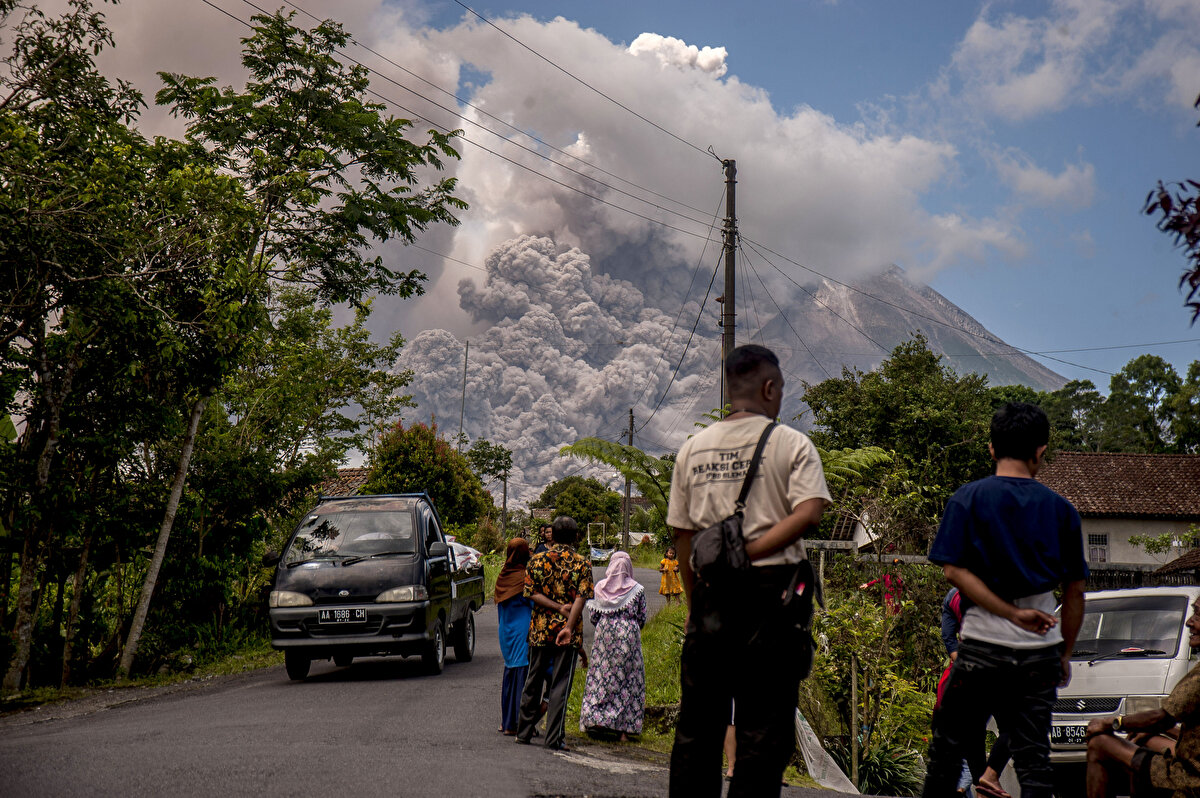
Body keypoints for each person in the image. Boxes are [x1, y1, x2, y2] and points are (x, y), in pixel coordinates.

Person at [666, 344, 831, 798]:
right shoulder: (791, 443)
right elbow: (811, 510)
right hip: (773, 603)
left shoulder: (692, 450)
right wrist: (755, 550)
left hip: (712, 599)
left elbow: (683, 538)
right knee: (763, 735)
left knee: (697, 731)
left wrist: (694, 601)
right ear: (769, 387)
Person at [923, 402, 1088, 798]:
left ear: (992, 448)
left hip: (979, 650)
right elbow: (1075, 591)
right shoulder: (1062, 511)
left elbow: (952, 571)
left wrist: (1007, 612)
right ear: (1040, 451)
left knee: (945, 756)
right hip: (1038, 654)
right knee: (1034, 762)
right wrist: (1062, 654)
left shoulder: (968, 499)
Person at [1084, 594, 1200, 798]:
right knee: (1144, 740)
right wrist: (1153, 729)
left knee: (1099, 743)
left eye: (1197, 614)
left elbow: (1162, 717)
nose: (1190, 622)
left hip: (1190, 777)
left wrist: (1113, 722)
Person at [516, 516, 594, 751]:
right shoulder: (582, 564)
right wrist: (568, 625)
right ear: (575, 537)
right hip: (567, 634)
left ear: (552, 534)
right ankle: (554, 738)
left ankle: (523, 732)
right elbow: (581, 598)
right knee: (560, 684)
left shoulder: (536, 560)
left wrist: (553, 607)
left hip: (540, 630)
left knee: (533, 680)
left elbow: (529, 593)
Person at [938, 587, 1012, 798]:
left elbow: (949, 638)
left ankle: (983, 787)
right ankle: (988, 779)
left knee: (973, 735)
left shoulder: (953, 596)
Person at [579, 550, 647, 741]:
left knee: (602, 676)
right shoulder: (637, 590)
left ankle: (598, 720)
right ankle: (625, 730)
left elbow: (594, 616)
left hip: (605, 636)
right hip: (630, 636)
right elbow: (642, 616)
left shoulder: (600, 587)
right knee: (629, 679)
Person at [495, 537, 533, 736]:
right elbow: (533, 603)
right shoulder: (524, 577)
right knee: (522, 677)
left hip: (505, 630)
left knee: (510, 674)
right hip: (522, 631)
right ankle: (518, 724)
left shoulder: (503, 576)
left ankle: (506, 722)